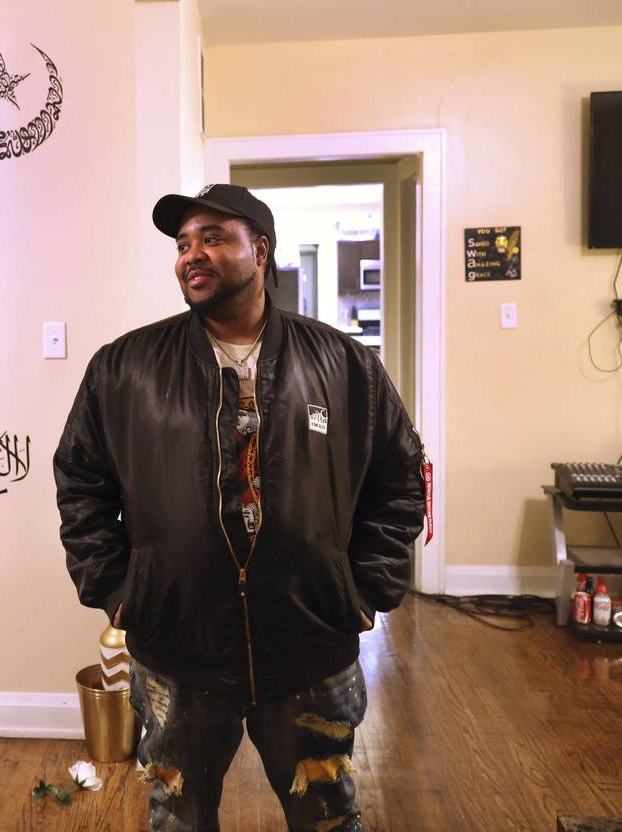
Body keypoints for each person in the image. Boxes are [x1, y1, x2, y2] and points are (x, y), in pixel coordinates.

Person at [54, 183, 426, 831]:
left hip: (309, 644)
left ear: (260, 250)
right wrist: (116, 589)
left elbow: (398, 478)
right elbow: (81, 481)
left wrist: (369, 587)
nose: (192, 254)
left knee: (328, 813)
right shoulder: (127, 368)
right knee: (177, 812)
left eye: (213, 238)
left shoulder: (343, 364)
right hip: (178, 647)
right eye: (182, 244)